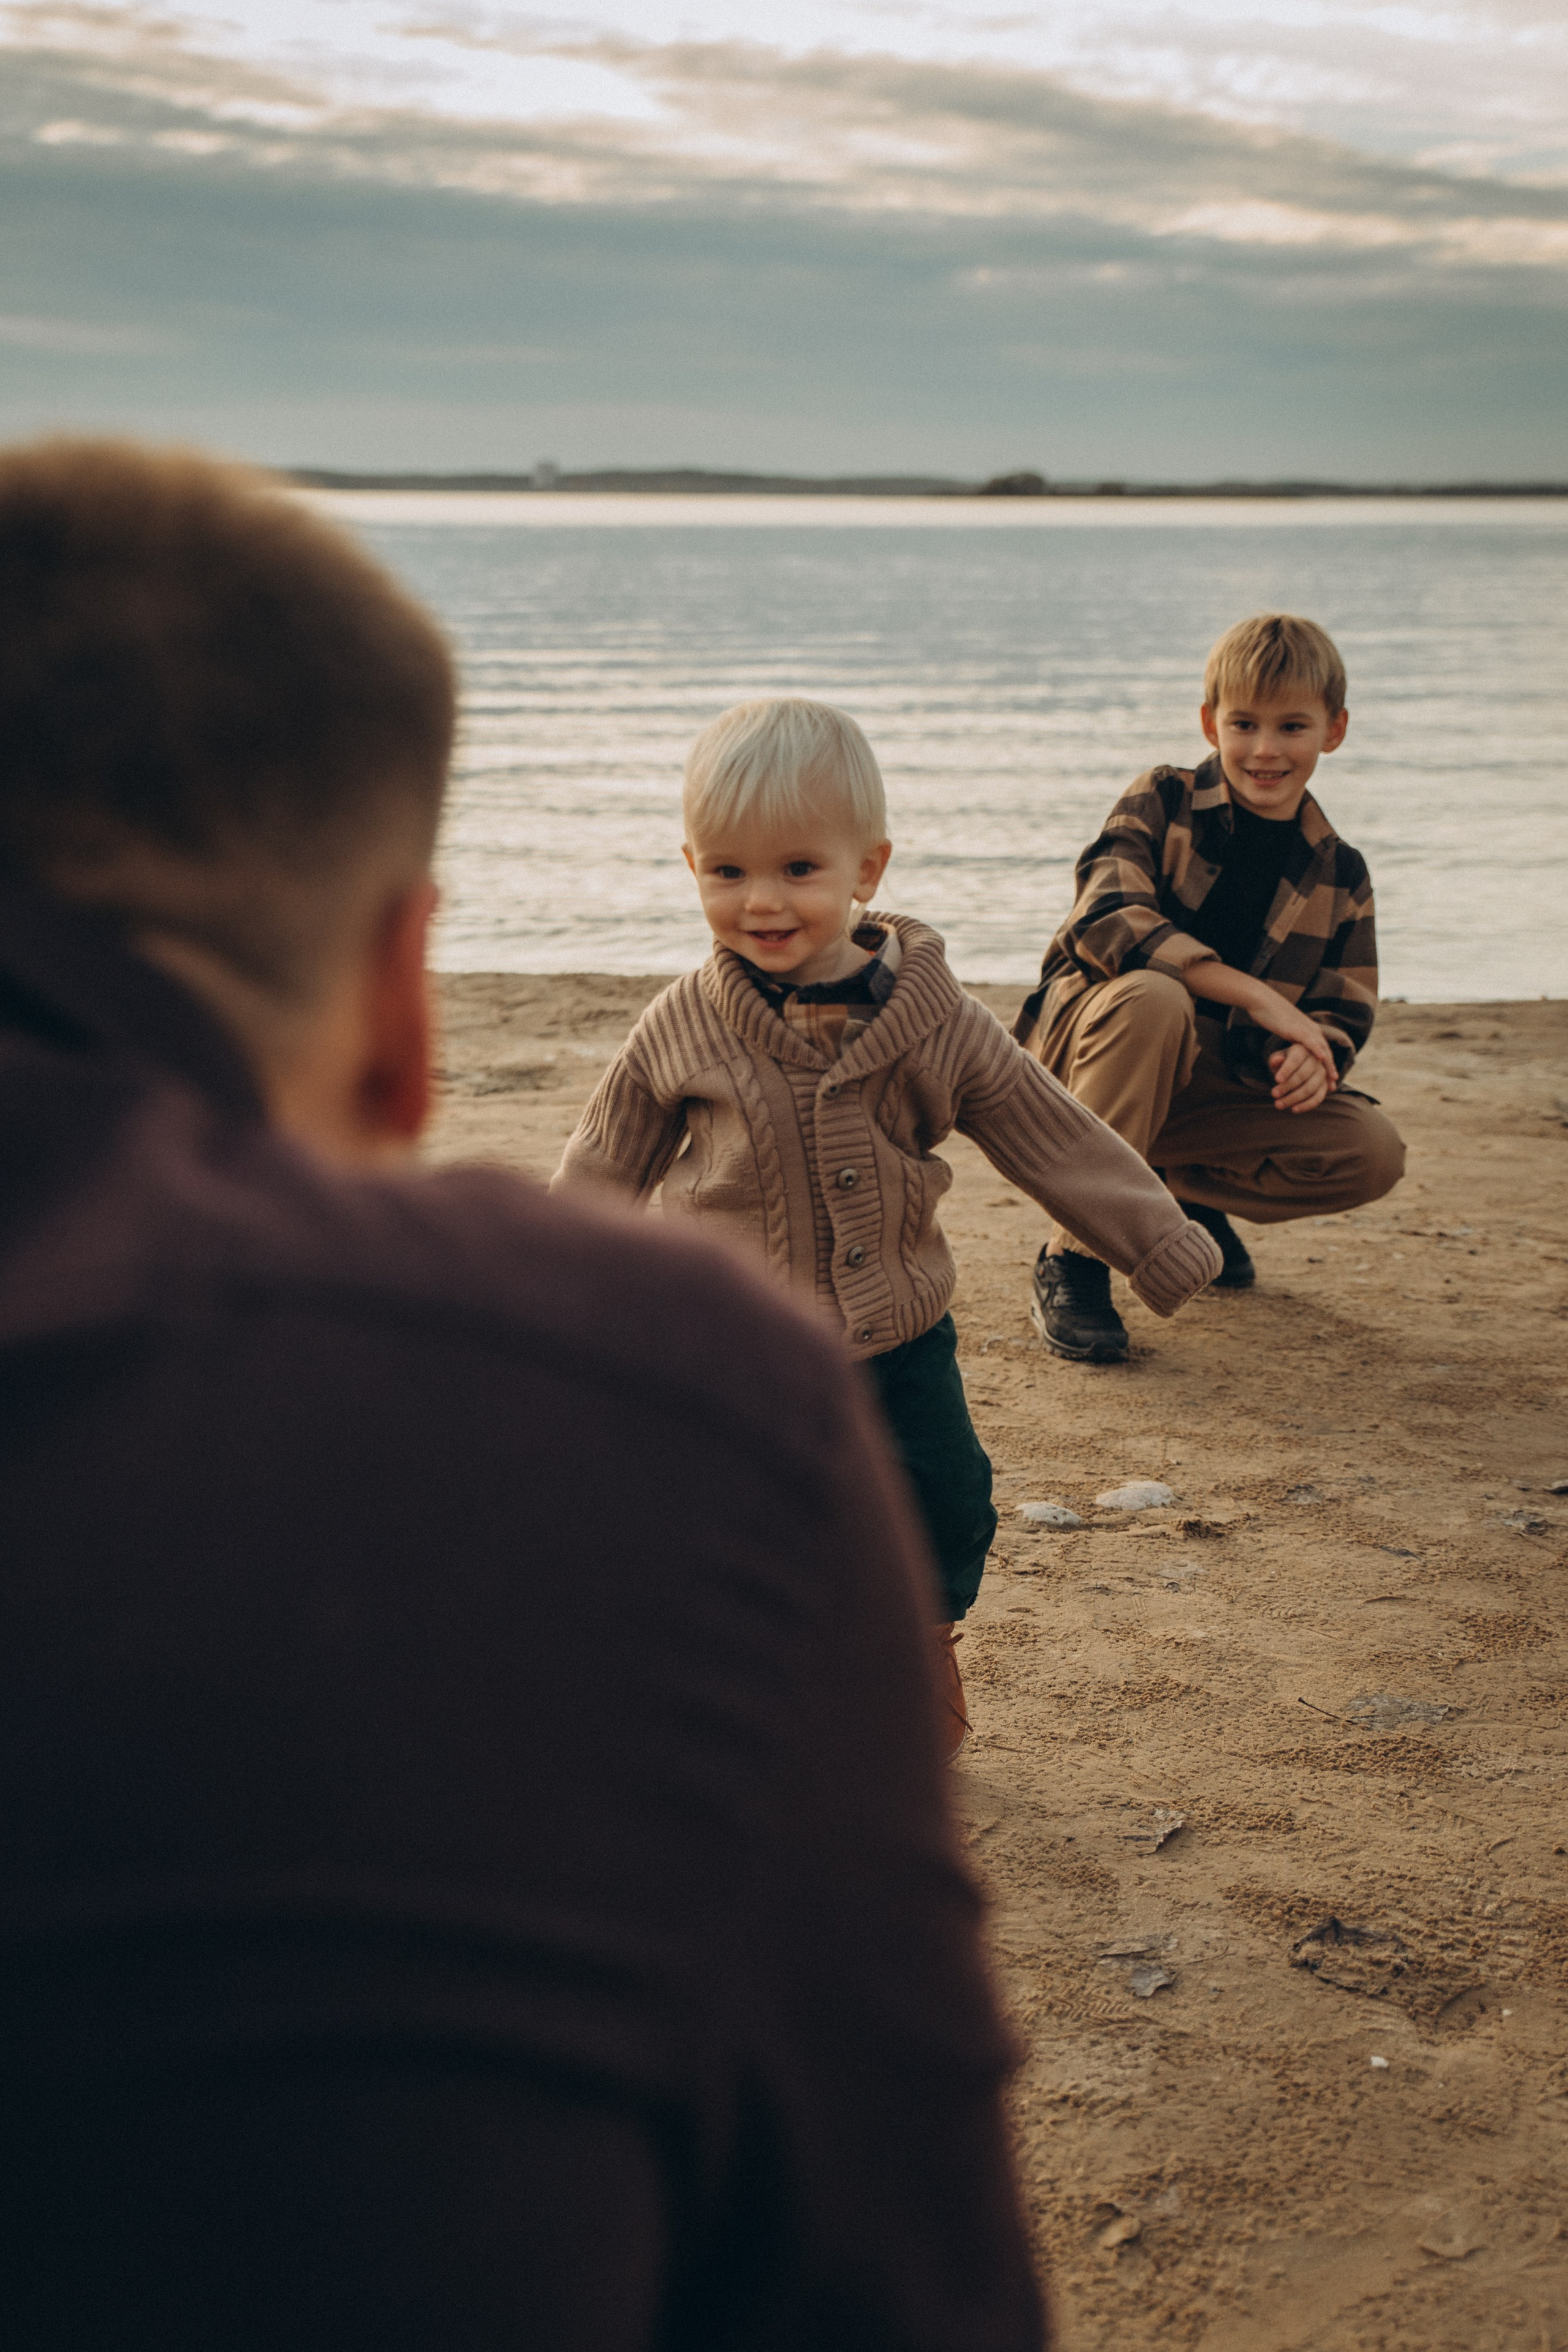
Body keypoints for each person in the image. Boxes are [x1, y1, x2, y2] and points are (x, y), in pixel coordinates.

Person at [0, 440, 1049, 2350]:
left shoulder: (912, 1025)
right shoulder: (673, 1398)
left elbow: (1027, 1110)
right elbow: (899, 2282)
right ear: (408, 1003)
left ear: (868, 877)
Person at [552, 699, 1221, 1756]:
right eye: (726, 873)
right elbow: (603, 1161)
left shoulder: (933, 1019)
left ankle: (920, 1640)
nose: (761, 901)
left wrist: (1158, 1239)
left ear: (868, 868)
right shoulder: (681, 1024)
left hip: (901, 1336)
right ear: (689, 866)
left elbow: (1047, 1130)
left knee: (948, 1498)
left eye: (797, 870)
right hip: (740, 1345)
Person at [1015, 612, 1406, 1364]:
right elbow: (1108, 921)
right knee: (1156, 998)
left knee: (1370, 1149)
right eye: (1244, 724)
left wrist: (1310, 1052)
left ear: (1334, 730)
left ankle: (1177, 1188)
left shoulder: (1339, 870)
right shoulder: (1160, 800)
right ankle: (1074, 1257)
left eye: (1292, 726)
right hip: (1087, 1058)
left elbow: (1341, 1008)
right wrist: (1257, 998)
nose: (1265, 750)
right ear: (1209, 723)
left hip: (1210, 1087)